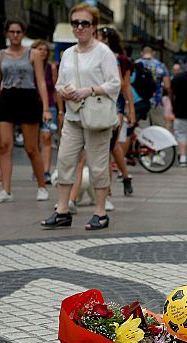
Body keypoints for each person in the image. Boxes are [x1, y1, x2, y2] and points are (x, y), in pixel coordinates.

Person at [42, 3, 121, 229]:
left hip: (95, 116)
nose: (79, 27)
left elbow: (114, 84)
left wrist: (89, 90)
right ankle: (62, 210)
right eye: (75, 23)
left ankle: (100, 212)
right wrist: (63, 91)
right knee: (64, 161)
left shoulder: (103, 52)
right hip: (73, 115)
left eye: (85, 23)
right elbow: (59, 84)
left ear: (94, 26)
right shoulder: (68, 54)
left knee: (98, 164)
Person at [0, 19, 51, 204]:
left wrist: (46, 108)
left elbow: (41, 82)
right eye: (12, 31)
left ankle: (42, 186)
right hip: (7, 99)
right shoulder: (0, 56)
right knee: (4, 146)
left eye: (18, 32)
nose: (15, 35)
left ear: (23, 33)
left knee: (31, 148)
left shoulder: (33, 54)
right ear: (6, 33)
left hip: (28, 98)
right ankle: (6, 190)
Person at [96, 26, 135, 197]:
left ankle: (108, 190)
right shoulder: (91, 55)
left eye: (98, 35)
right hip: (96, 101)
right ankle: (124, 177)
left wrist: (130, 109)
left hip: (114, 103)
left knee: (110, 145)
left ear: (106, 39)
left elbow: (124, 85)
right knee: (111, 147)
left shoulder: (120, 59)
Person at [31, 40, 59, 184]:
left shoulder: (51, 68)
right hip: (32, 106)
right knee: (33, 141)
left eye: (45, 50)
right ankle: (37, 168)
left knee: (46, 137)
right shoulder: (29, 68)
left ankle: (46, 171)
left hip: (49, 106)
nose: (42, 52)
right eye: (39, 49)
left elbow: (55, 89)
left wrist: (60, 110)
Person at [136, 46, 170, 127]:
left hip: (138, 101)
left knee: (142, 129)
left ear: (142, 53)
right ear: (153, 53)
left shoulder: (135, 64)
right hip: (156, 101)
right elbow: (167, 86)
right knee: (158, 129)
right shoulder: (160, 65)